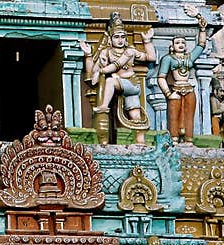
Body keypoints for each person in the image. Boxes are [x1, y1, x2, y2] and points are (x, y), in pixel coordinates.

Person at [80, 12, 155, 145]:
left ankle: (103, 107)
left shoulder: (130, 51)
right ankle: (138, 141)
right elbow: (92, 75)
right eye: (116, 37)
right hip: (120, 84)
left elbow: (150, 58)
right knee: (135, 114)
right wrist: (88, 56)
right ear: (111, 39)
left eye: (122, 37)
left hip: (131, 85)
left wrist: (147, 41)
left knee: (110, 81)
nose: (120, 40)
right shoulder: (106, 52)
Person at [155, 15, 207, 144]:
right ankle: (174, 139)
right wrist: (168, 93)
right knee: (174, 116)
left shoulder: (189, 57)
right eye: (177, 42)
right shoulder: (168, 59)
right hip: (175, 89)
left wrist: (202, 30)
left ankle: (189, 140)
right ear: (172, 46)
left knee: (189, 116)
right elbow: (161, 78)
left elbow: (201, 45)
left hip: (189, 88)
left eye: (183, 43)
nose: (181, 45)